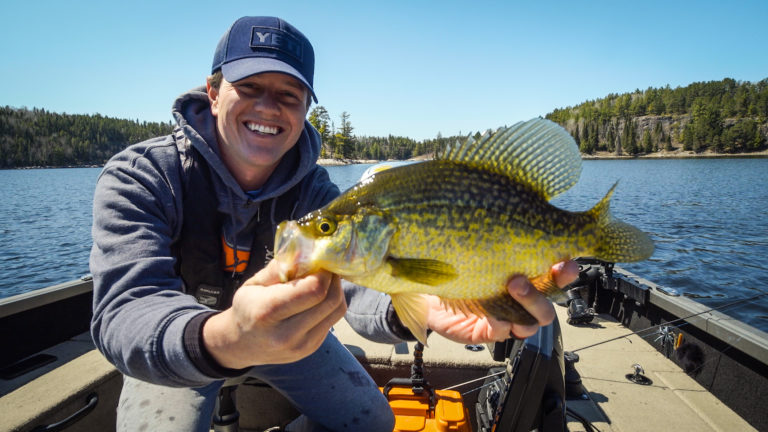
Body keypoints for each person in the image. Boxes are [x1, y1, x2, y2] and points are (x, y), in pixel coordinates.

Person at [89, 16, 577, 432]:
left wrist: (422, 305)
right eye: (250, 87)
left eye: (290, 94)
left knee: (372, 420)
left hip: (287, 340)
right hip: (184, 349)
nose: (269, 106)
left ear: (305, 110)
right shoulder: (143, 177)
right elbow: (124, 312)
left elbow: (359, 282)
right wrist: (222, 338)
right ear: (214, 93)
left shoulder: (317, 194)